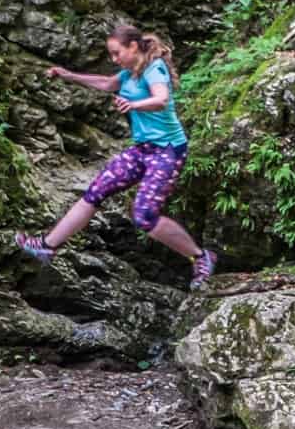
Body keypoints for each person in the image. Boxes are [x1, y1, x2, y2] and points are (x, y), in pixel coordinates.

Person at [15, 25, 218, 290]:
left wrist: (133, 105)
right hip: (142, 149)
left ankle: (201, 258)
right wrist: (68, 75)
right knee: (96, 191)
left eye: (116, 53)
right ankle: (46, 246)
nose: (114, 59)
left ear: (133, 47)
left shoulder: (154, 69)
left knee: (145, 216)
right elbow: (107, 84)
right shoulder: (129, 73)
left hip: (167, 150)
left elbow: (162, 99)